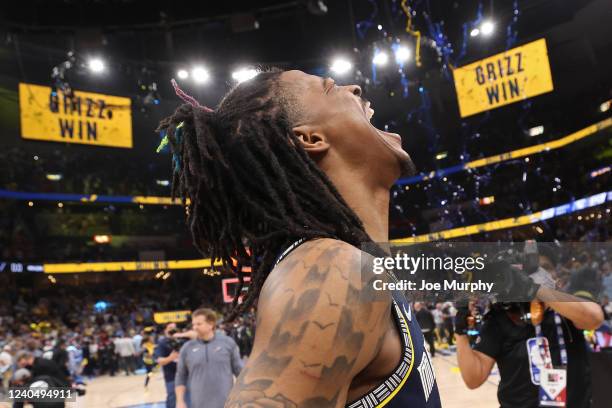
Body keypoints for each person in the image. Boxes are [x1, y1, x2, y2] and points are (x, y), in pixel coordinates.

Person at [157, 69, 441, 406]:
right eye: (332, 87)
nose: (356, 87)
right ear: (310, 138)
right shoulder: (333, 270)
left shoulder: (359, 264)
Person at [455, 247, 604, 408]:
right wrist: (460, 333)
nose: (535, 276)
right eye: (530, 272)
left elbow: (594, 319)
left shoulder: (569, 306)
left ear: (557, 276)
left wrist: (537, 290)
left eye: (544, 268)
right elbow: (473, 379)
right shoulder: (500, 317)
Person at [175, 308, 242, 408]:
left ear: (211, 324)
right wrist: (179, 401)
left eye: (199, 324)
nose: (194, 327)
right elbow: (181, 376)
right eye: (193, 324)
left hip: (227, 404)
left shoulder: (228, 343)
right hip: (198, 404)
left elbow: (240, 372)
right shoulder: (187, 348)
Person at [155, 323, 180, 408]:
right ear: (165, 330)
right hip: (171, 376)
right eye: (170, 328)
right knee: (172, 398)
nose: (172, 330)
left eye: (174, 328)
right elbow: (159, 361)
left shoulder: (183, 340)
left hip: (186, 376)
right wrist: (171, 358)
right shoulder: (162, 343)